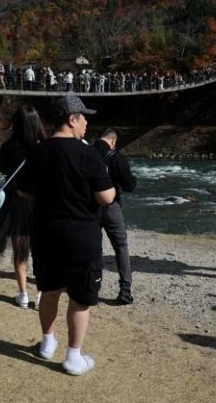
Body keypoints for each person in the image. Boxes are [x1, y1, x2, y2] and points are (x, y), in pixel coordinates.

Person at [18, 94, 114, 376]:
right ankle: (73, 356)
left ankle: (47, 342)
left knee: (49, 290)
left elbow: (23, 191)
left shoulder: (38, 151)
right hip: (81, 235)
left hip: (45, 233)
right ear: (72, 119)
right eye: (83, 117)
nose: (86, 122)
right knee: (80, 297)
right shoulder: (88, 153)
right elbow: (106, 197)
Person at [0, 105, 46, 308]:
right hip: (40, 204)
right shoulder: (45, 146)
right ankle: (41, 297)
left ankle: (22, 295)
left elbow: (3, 169)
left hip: (15, 202)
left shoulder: (8, 147)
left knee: (20, 250)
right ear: (36, 122)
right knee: (41, 251)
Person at [92, 128, 137, 304]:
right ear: (113, 141)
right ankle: (125, 289)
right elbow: (129, 185)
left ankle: (93, 286)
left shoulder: (86, 152)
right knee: (121, 246)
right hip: (112, 207)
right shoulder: (116, 157)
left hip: (90, 207)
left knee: (94, 247)